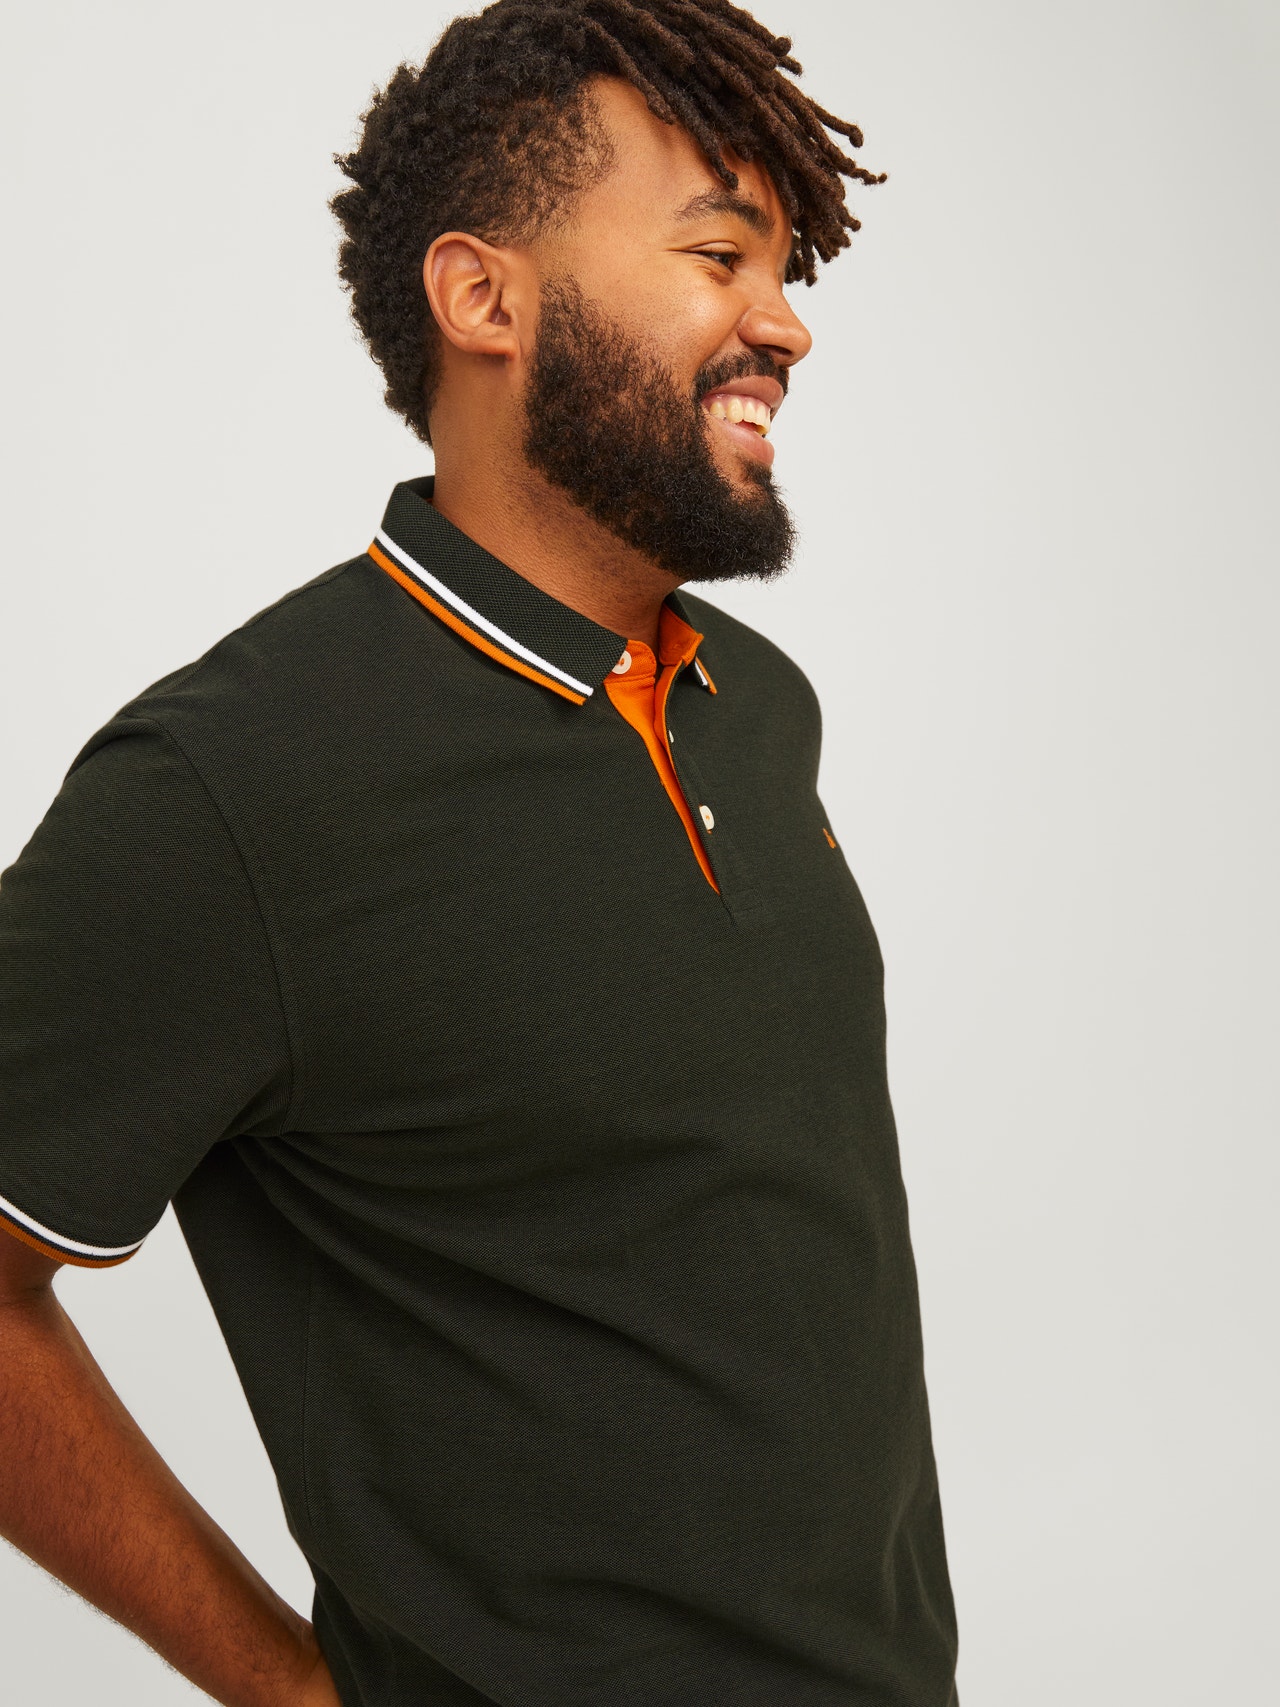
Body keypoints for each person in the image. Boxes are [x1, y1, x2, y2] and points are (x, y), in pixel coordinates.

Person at [0, 2, 961, 1702]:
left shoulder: (754, 705)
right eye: (719, 253)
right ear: (484, 298)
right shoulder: (229, 789)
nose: (786, 323)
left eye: (783, 265)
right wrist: (289, 1685)